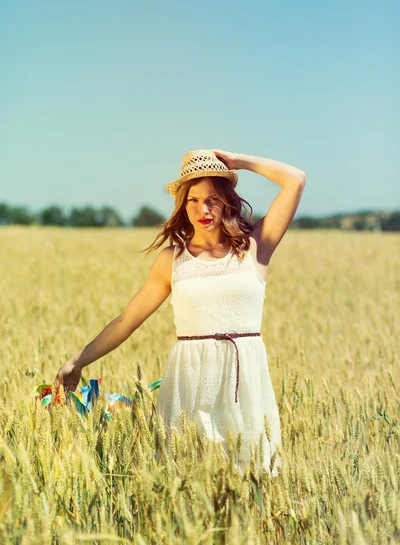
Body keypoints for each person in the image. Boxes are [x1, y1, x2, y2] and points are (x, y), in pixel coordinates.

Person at [54, 149, 306, 476]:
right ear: (183, 206)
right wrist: (78, 360)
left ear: (228, 201)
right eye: (193, 200)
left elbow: (295, 180)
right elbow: (127, 321)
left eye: (213, 199)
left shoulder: (255, 246)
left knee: (253, 479)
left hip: (245, 381)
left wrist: (237, 162)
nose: (203, 209)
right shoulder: (172, 261)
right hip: (192, 381)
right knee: (189, 477)